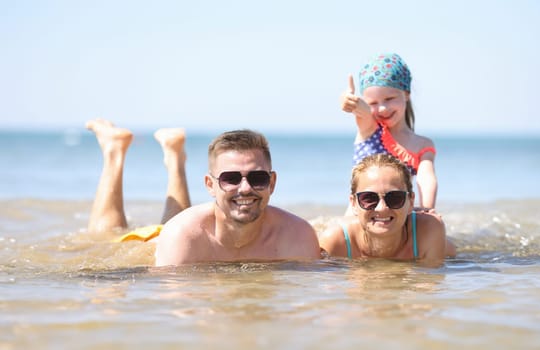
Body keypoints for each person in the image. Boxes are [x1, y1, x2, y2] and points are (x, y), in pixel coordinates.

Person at [86, 119, 321, 265]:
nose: (245, 189)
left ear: (272, 182)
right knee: (104, 235)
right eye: (230, 178)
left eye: (258, 178)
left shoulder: (298, 237)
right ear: (210, 185)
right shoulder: (182, 236)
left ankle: (175, 156)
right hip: (159, 240)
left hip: (190, 229)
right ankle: (114, 151)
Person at [318, 153, 456, 267]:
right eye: (369, 198)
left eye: (395, 198)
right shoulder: (335, 241)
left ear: (411, 202)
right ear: (353, 204)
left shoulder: (429, 229)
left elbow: (429, 288)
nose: (382, 208)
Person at [340, 53, 438, 211]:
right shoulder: (370, 129)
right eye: (373, 102)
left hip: (394, 217)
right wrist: (349, 101)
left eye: (389, 98)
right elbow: (361, 109)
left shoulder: (422, 145)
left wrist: (427, 209)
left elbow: (426, 177)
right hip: (359, 218)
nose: (382, 108)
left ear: (406, 94)